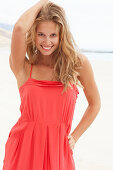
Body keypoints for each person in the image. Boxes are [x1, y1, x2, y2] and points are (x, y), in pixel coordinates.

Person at [3, 0, 101, 170]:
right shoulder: (24, 67)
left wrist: (75, 137)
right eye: (41, 34)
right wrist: (44, 2)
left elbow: (95, 104)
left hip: (58, 150)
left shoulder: (78, 64)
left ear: (61, 35)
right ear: (33, 33)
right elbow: (19, 29)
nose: (46, 41)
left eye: (53, 35)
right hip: (23, 149)